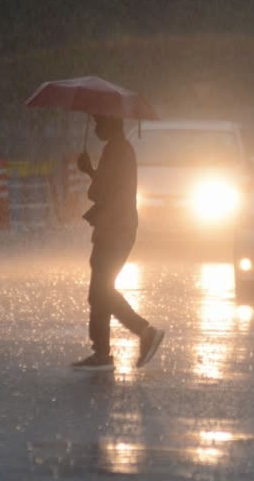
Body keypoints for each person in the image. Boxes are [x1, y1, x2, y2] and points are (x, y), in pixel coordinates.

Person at [71, 114, 164, 372]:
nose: (97, 127)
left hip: (115, 228)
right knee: (99, 291)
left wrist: (89, 169)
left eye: (99, 123)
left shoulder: (117, 151)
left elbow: (100, 191)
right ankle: (101, 352)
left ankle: (144, 331)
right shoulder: (119, 149)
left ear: (112, 125)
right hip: (115, 227)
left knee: (101, 290)